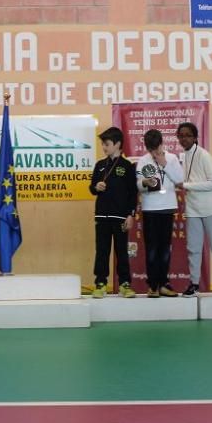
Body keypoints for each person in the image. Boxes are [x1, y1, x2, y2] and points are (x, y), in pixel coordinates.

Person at [177, 123, 212, 302]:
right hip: (192, 209)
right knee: (193, 248)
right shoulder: (183, 157)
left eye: (187, 135)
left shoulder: (205, 156)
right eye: (181, 135)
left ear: (195, 137)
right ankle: (194, 284)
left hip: (211, 209)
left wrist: (186, 185)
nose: (183, 138)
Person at [89, 127, 138, 298]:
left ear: (117, 144)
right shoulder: (100, 165)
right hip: (102, 215)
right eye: (102, 144)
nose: (104, 147)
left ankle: (125, 283)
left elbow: (133, 193)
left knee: (121, 251)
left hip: (120, 217)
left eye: (107, 144)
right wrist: (96, 186)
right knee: (102, 250)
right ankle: (100, 283)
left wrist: (131, 214)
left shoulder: (127, 166)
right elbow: (92, 189)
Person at [136, 129, 184, 298]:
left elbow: (179, 179)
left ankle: (164, 283)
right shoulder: (143, 160)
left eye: (156, 148)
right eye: (151, 149)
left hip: (167, 207)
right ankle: (153, 286)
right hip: (150, 208)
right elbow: (137, 185)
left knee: (165, 249)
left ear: (162, 144)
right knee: (151, 249)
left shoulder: (171, 158)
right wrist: (144, 182)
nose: (154, 152)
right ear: (147, 148)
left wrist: (164, 163)